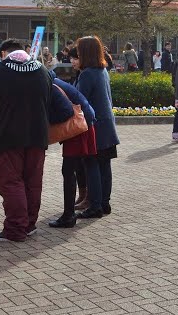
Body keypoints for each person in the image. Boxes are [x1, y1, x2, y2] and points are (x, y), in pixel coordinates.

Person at [0, 39, 55, 242]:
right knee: (33, 182)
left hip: (6, 136)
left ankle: (15, 229)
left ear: (4, 53)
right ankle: (29, 225)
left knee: (12, 183)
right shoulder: (42, 70)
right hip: (37, 136)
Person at [74, 36, 119, 219]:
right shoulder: (102, 70)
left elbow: (78, 98)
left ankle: (95, 206)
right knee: (104, 166)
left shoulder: (87, 74)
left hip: (95, 127)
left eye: (78, 51)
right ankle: (104, 203)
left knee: (91, 165)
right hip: (108, 125)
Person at [47, 71, 96, 229]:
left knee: (68, 170)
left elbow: (66, 112)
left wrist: (47, 122)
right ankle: (74, 208)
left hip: (78, 128)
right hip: (84, 124)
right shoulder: (53, 81)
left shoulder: (51, 87)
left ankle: (68, 216)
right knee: (75, 167)